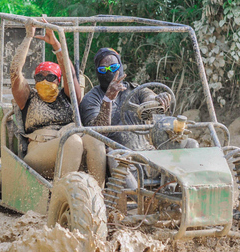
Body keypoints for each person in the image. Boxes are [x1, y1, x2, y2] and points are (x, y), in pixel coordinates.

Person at [10, 19, 106, 186]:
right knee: (73, 141)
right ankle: (61, 197)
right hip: (40, 151)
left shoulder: (67, 97)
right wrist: (28, 37)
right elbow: (15, 73)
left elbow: (71, 75)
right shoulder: (29, 97)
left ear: (59, 80)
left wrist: (56, 44)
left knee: (95, 140)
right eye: (40, 77)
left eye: (51, 77)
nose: (45, 80)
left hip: (70, 144)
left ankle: (100, 195)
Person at [79, 47, 171, 189]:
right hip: (118, 157)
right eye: (103, 70)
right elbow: (97, 134)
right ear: (97, 72)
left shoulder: (136, 90)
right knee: (116, 157)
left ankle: (179, 197)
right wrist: (108, 100)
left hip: (146, 152)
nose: (109, 72)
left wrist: (160, 100)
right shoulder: (91, 99)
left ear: (121, 67)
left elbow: (150, 99)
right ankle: (141, 202)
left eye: (114, 67)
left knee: (186, 144)